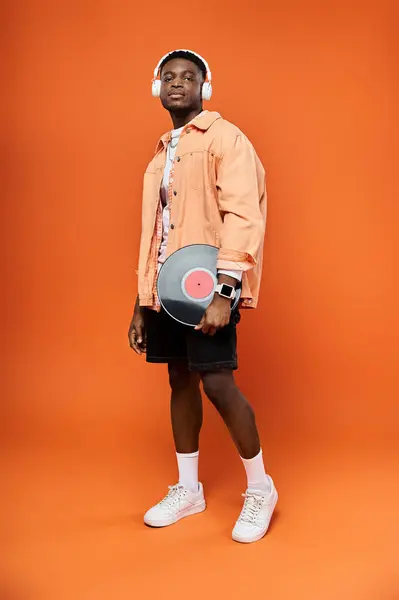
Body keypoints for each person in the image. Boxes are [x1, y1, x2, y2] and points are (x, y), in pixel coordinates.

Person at [128, 49, 278, 544]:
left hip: (208, 287)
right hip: (166, 294)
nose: (176, 83)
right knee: (179, 379)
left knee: (217, 383)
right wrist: (141, 301)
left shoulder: (224, 138)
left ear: (203, 87)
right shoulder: (161, 152)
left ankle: (261, 488)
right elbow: (157, 232)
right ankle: (188, 489)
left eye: (187, 77)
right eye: (168, 77)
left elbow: (243, 215)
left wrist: (225, 290)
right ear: (157, 88)